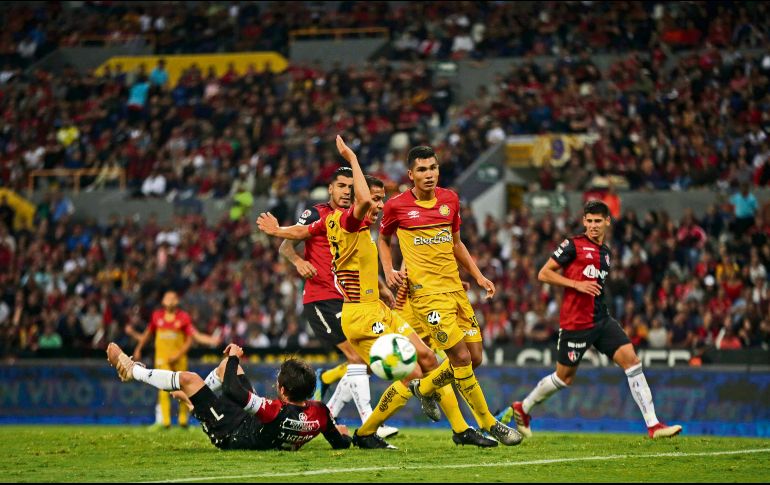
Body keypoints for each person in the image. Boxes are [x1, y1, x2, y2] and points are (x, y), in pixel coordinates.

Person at [257, 135, 513, 448]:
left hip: (377, 307)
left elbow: (304, 232)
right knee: (412, 373)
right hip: (360, 316)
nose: (379, 206)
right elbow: (359, 205)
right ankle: (368, 430)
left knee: (428, 359)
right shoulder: (348, 223)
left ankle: (459, 429)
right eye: (375, 200)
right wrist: (352, 158)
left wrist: (278, 231)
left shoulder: (341, 225)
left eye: (381, 200)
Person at [497, 200, 683, 439]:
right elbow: (543, 273)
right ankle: (523, 408)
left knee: (632, 361)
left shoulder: (606, 253)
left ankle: (653, 425)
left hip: (601, 319)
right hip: (576, 323)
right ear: (584, 221)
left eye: (598, 221)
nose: (594, 225)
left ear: (607, 222)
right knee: (564, 378)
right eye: (590, 221)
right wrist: (576, 284)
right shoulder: (572, 245)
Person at [377, 145, 519, 444]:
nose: (428, 174)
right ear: (411, 174)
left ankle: (425, 388)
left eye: (433, 168)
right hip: (427, 296)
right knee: (461, 357)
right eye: (422, 169)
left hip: (455, 289)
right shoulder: (396, 206)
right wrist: (389, 270)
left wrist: (478, 276)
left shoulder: (450, 199)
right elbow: (383, 239)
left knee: (475, 358)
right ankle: (490, 423)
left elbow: (456, 243)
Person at [277, 166, 398, 439]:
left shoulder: (353, 219)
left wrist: (380, 288)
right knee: (358, 358)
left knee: (366, 361)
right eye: (341, 186)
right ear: (330, 188)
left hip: (349, 300)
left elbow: (360, 261)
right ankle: (372, 425)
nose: (345, 191)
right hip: (321, 298)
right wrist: (299, 262)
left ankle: (328, 404)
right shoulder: (316, 214)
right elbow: (286, 244)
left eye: (350, 187)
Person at [106, 342, 352, 451]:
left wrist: (234, 355)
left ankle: (133, 371)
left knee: (190, 379)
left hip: (231, 435)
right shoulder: (320, 412)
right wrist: (344, 435)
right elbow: (339, 442)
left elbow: (233, 390)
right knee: (226, 368)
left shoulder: (274, 411)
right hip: (252, 425)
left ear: (283, 391)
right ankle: (197, 399)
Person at [132, 290, 194, 429]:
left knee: (183, 388)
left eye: (173, 297)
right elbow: (148, 334)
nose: (170, 300)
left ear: (177, 301)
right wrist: (138, 348)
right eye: (167, 297)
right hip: (162, 359)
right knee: (163, 388)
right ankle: (165, 422)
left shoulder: (184, 317)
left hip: (179, 359)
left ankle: (183, 421)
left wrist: (177, 355)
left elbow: (190, 340)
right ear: (163, 301)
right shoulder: (156, 316)